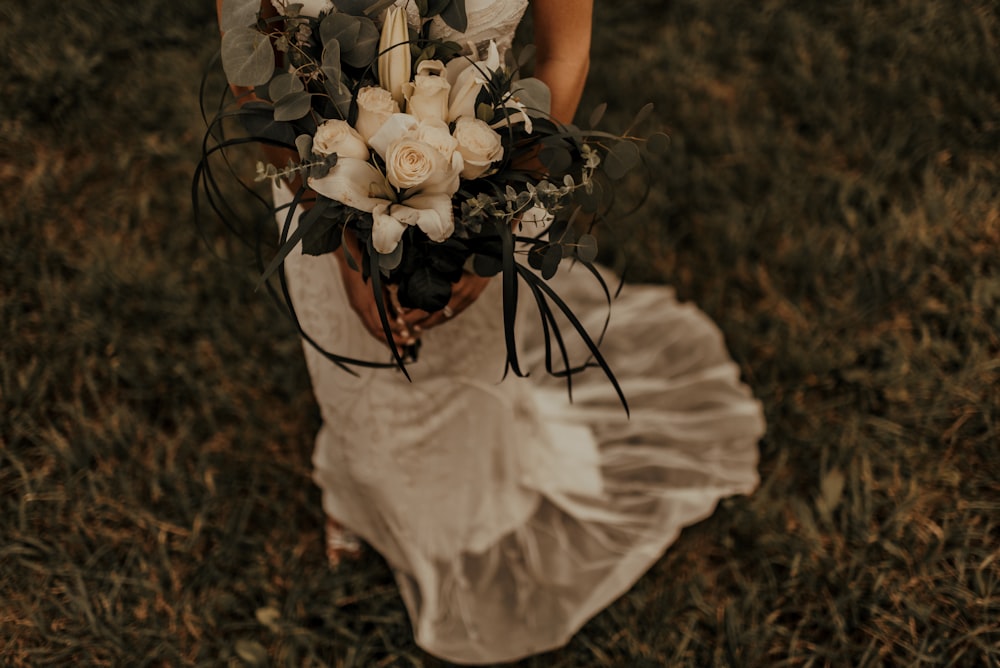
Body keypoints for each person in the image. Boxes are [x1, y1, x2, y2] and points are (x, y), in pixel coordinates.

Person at [215, 0, 766, 664]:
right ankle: (357, 493)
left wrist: (493, 231)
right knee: (351, 366)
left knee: (463, 371)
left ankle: (468, 502)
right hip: (321, 182)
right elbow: (253, 78)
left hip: (490, 175)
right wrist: (344, 248)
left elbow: (565, 54)